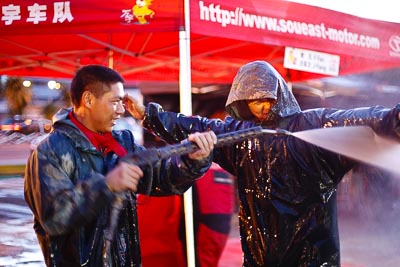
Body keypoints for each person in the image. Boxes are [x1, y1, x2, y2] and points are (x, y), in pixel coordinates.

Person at [124, 60, 400, 267]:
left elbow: (360, 118)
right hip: (259, 257)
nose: (262, 106)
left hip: (314, 256)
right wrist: (149, 116)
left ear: (279, 93)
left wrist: (394, 118)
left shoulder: (312, 124)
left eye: (267, 98)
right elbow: (196, 126)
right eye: (253, 101)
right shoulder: (241, 135)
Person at [23, 65, 217, 267]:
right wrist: (106, 185)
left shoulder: (123, 143)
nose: (121, 110)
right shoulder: (49, 151)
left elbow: (162, 178)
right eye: (115, 102)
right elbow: (54, 218)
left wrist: (193, 159)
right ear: (88, 99)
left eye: (121, 102)